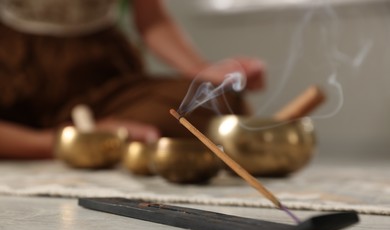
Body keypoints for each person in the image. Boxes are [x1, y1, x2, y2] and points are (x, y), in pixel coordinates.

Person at [0, 0, 265, 159]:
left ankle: (104, 137)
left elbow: (152, 20)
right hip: (12, 72)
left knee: (218, 105)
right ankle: (62, 142)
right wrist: (70, 141)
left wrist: (205, 71)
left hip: (100, 77)